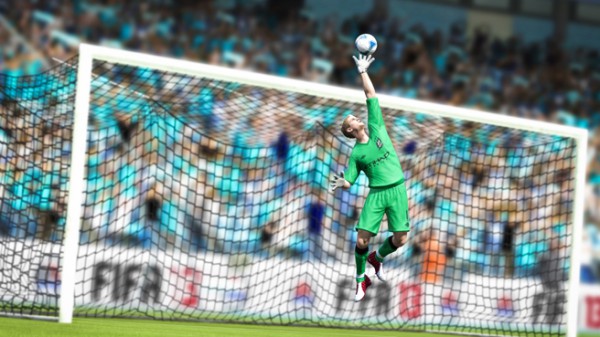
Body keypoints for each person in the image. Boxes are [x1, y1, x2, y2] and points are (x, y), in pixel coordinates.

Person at [330, 54, 410, 301]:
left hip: (397, 188)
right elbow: (350, 180)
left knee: (401, 238)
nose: (356, 117)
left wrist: (363, 71)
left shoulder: (376, 127)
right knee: (362, 240)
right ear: (350, 131)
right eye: (352, 120)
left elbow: (370, 96)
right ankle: (360, 279)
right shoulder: (357, 154)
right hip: (377, 193)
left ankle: (379, 258)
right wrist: (342, 182)